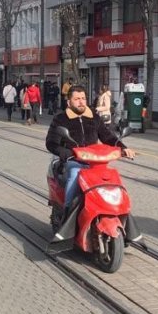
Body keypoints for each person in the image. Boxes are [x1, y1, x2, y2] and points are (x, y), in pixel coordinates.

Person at [45, 85, 135, 223]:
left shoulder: (93, 116)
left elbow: (107, 136)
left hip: (95, 162)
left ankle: (121, 215)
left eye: (83, 98)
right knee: (75, 175)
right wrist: (66, 153)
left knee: (112, 178)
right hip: (73, 160)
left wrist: (123, 148)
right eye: (77, 99)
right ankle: (68, 216)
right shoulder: (60, 119)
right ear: (69, 102)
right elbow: (51, 143)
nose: (81, 102)